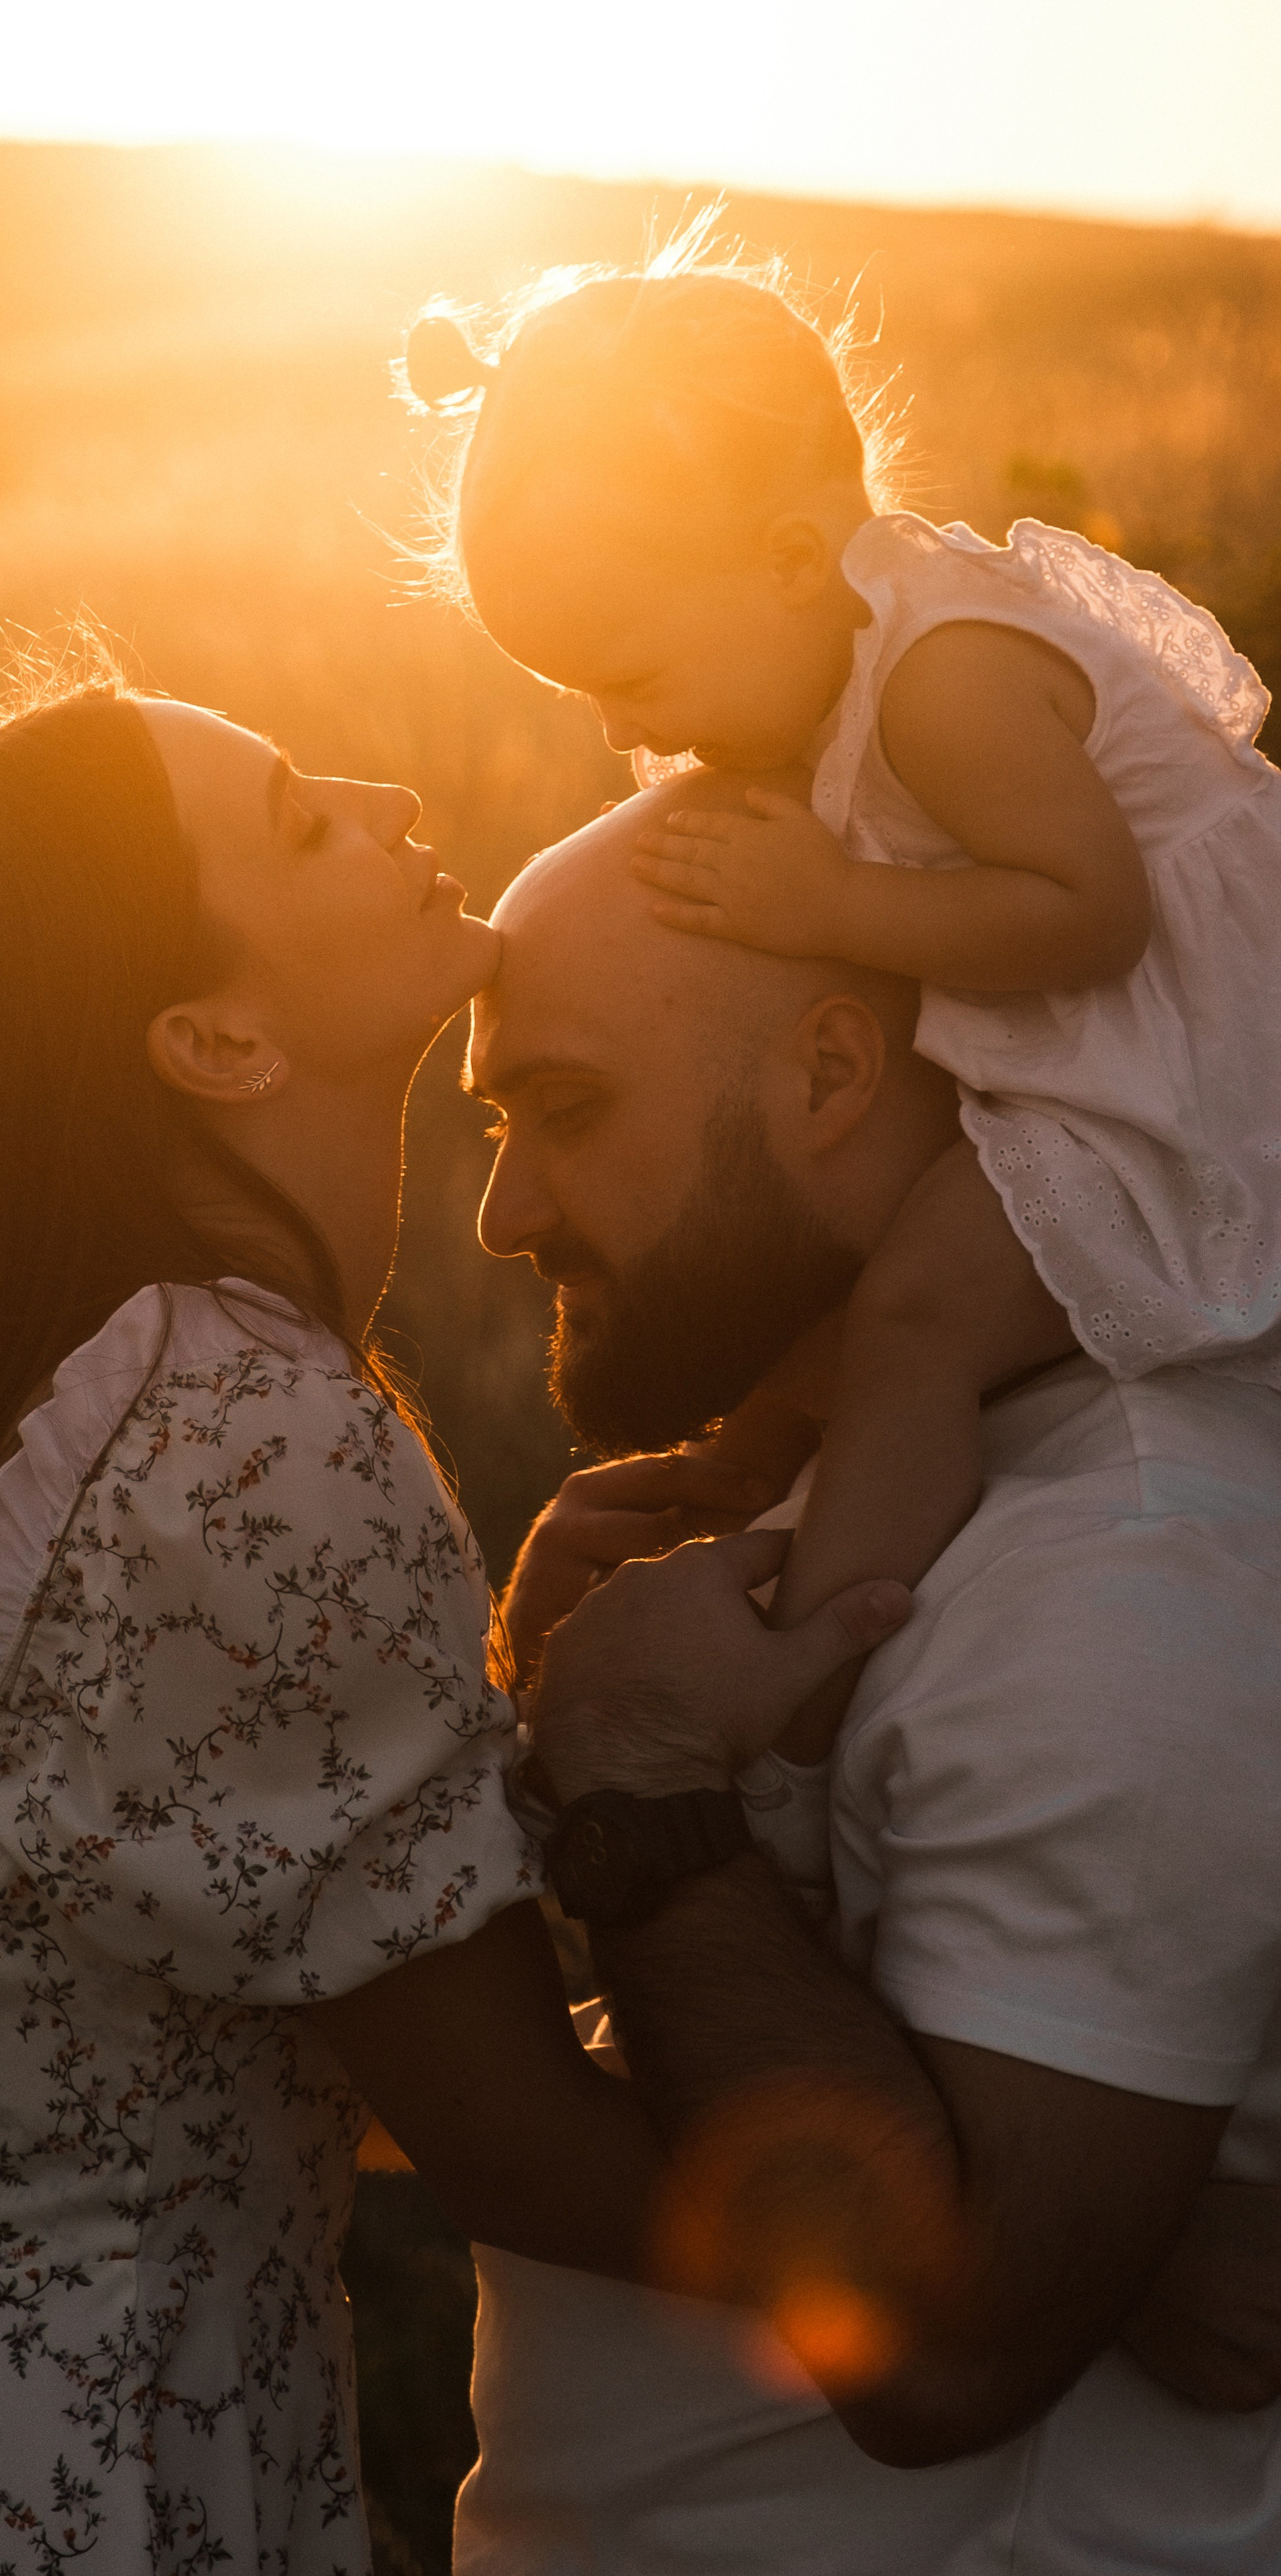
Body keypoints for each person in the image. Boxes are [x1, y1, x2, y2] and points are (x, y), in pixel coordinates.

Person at [0, 684, 911, 2575]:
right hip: (62, 2503)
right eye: (297, 821)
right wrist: (1035, 2259)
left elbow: (272, 2031)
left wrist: (489, 1709)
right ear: (213, 1037)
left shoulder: (115, 1403)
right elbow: (506, 2143)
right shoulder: (243, 1434)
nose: (382, 786)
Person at [458, 774, 1281, 2572]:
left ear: (831, 1077)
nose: (502, 1214)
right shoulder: (869, 1496)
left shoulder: (1115, 1575)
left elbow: (951, 2358)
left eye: (564, 1107)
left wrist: (644, 1781)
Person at [405, 240, 1281, 1750]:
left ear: (789, 561)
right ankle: (758, 1481)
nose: (620, 723)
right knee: (869, 1335)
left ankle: (802, 1671)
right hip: (1118, 1031)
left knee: (919, 1324)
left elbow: (1091, 914)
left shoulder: (941, 672)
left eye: (629, 668)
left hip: (1203, 1041)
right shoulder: (842, 664)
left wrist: (833, 901)